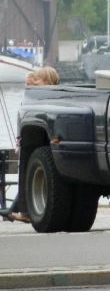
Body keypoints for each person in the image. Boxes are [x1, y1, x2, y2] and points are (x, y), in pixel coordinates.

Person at [8, 67, 60, 223]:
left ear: (46, 81)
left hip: (35, 142)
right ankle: (18, 208)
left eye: (38, 80)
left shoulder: (40, 98)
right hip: (35, 141)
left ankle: (24, 210)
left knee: (29, 171)